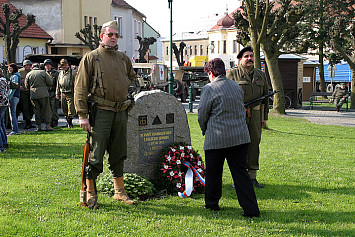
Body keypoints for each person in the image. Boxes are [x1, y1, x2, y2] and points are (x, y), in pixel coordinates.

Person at [74, 20, 136, 208]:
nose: (113, 38)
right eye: (110, 34)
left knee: (119, 153)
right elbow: (80, 87)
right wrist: (82, 115)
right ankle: (90, 193)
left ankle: (119, 192)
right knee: (96, 153)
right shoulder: (91, 58)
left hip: (120, 112)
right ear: (102, 36)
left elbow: (131, 77)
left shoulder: (123, 58)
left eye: (116, 35)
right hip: (100, 112)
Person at [198, 58, 260, 217]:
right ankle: (251, 209)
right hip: (240, 137)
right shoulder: (236, 86)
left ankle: (212, 204)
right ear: (223, 70)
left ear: (211, 73)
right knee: (241, 174)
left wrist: (205, 129)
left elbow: (202, 115)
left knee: (213, 174)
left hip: (216, 138)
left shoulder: (208, 89)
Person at [226, 47, 270, 188]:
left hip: (256, 114)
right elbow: (226, 97)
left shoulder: (260, 75)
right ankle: (238, 178)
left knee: (254, 144)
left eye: (251, 56)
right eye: (246, 56)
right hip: (238, 114)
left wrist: (265, 117)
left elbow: (266, 98)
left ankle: (252, 176)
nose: (249, 58)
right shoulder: (232, 74)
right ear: (240, 59)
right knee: (238, 145)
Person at [25, 63, 53, 131]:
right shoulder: (43, 72)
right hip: (43, 93)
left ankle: (39, 126)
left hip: (33, 94)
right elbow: (50, 82)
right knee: (46, 110)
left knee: (37, 111)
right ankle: (48, 126)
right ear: (39, 67)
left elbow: (26, 86)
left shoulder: (28, 74)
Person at [56, 59, 76, 128]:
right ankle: (67, 121)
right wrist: (57, 93)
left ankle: (70, 122)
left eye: (64, 65)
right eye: (62, 65)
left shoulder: (73, 73)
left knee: (70, 108)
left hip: (70, 92)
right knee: (64, 108)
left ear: (67, 65)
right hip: (62, 92)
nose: (63, 66)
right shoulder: (60, 73)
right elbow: (58, 83)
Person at [18, 60, 35, 129]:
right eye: (26, 65)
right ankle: (27, 122)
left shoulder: (32, 72)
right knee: (25, 107)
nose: (28, 66)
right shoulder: (20, 72)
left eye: (29, 65)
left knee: (31, 107)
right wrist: (19, 86)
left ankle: (30, 120)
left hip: (30, 91)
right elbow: (16, 80)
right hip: (23, 92)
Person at [44, 59, 60, 127]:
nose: (47, 66)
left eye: (48, 64)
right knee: (47, 108)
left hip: (53, 92)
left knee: (53, 108)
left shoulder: (56, 73)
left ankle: (55, 121)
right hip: (46, 93)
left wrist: (57, 93)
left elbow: (58, 84)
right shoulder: (43, 73)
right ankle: (49, 121)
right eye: (46, 65)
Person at [7, 63, 21, 135]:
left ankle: (15, 130)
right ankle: (15, 129)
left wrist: (9, 97)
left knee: (12, 114)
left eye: (10, 68)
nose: (9, 70)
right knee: (13, 113)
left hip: (13, 97)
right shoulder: (16, 76)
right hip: (16, 96)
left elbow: (13, 88)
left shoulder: (14, 76)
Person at [0, 69, 9, 152]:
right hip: (5, 103)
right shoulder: (4, 80)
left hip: (1, 103)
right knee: (2, 124)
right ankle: (4, 143)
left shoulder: (0, 81)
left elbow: (1, 94)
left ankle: (1, 147)